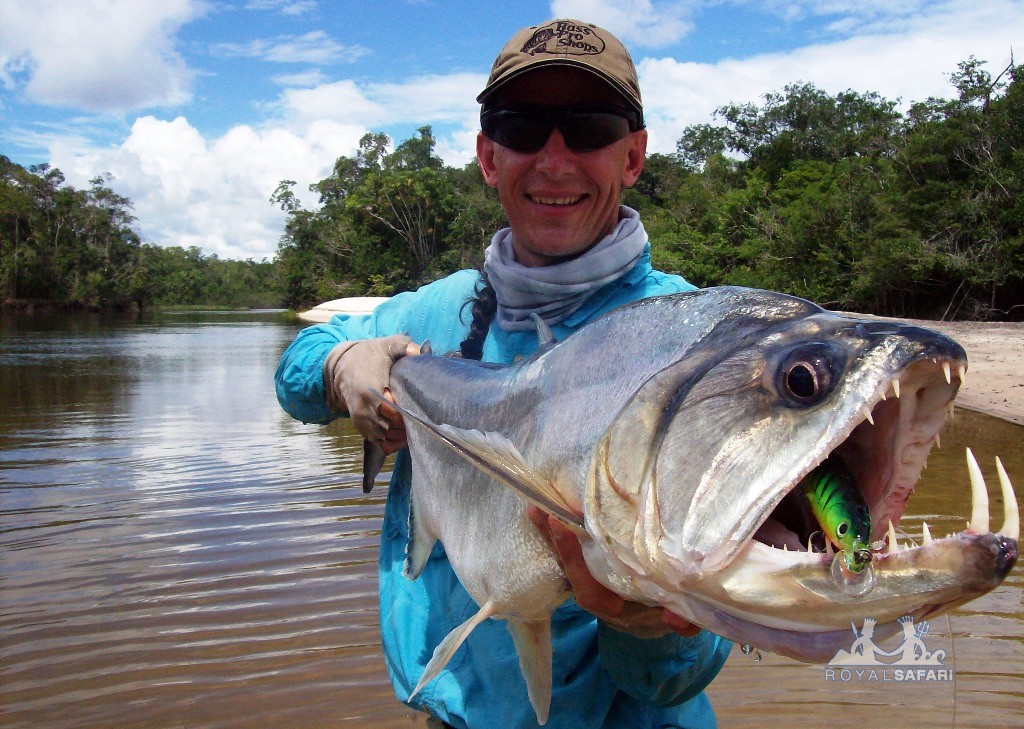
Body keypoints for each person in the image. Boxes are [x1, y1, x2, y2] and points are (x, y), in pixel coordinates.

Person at [275, 18, 731, 729]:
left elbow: (681, 673)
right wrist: (341, 364)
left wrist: (659, 623)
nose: (554, 159)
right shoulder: (439, 310)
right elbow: (295, 369)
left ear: (633, 155)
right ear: (489, 156)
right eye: (522, 126)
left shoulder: (696, 340)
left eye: (589, 126)